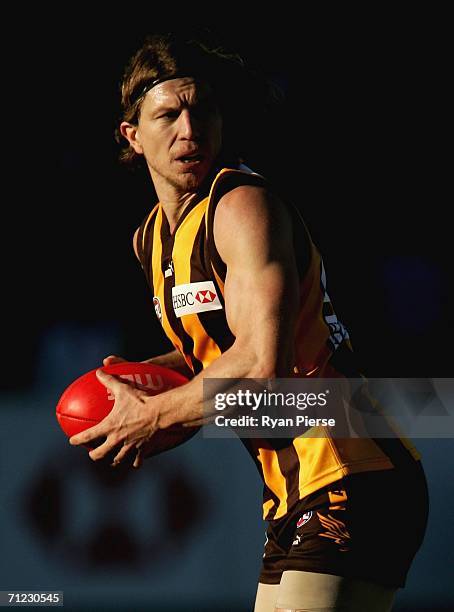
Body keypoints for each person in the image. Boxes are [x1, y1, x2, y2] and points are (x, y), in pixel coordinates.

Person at [69, 32, 429, 611]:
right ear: (132, 137)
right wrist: (140, 380)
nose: (190, 129)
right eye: (168, 115)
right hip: (296, 491)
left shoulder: (241, 206)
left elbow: (263, 365)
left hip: (347, 469)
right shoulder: (151, 239)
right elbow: (210, 354)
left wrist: (156, 413)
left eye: (202, 108)